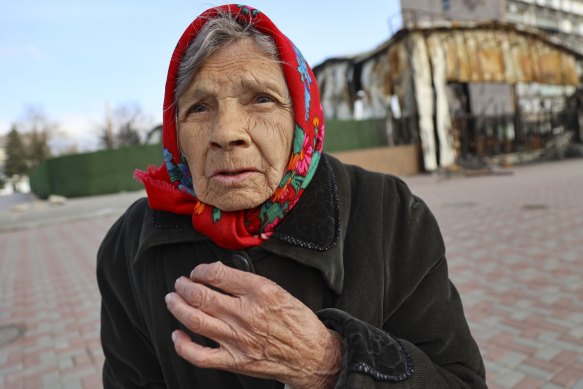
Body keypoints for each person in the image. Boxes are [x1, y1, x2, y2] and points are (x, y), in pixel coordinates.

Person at [97, 4, 487, 388]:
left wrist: (331, 363)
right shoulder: (128, 245)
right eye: (199, 107)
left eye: (261, 99)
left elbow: (458, 380)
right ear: (176, 132)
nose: (227, 131)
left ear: (301, 113)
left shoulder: (392, 214)